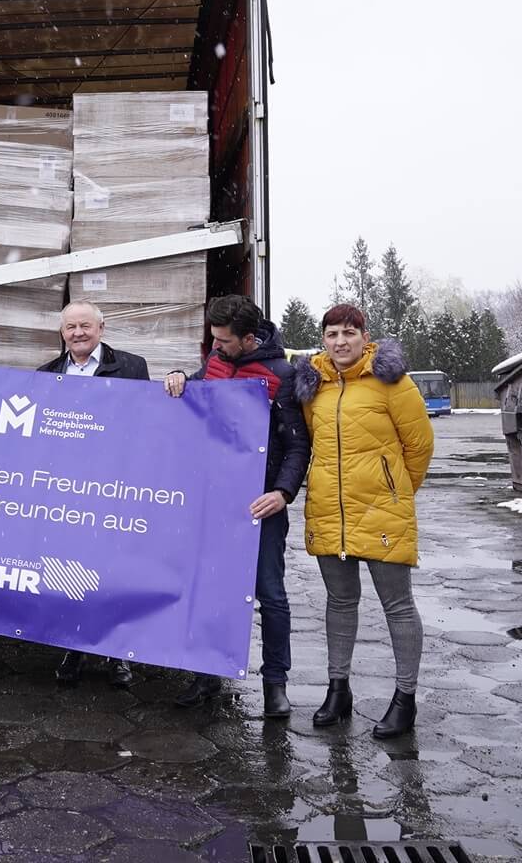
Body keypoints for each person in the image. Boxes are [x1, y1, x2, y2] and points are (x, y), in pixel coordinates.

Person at [293, 303, 434, 739]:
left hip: (382, 510)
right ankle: (339, 690)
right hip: (328, 511)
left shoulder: (393, 383)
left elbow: (420, 446)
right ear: (323, 339)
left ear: (364, 336)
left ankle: (404, 699)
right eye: (332, 334)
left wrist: (394, 493)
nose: (340, 342)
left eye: (349, 333)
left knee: (397, 605)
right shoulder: (312, 386)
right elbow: (311, 441)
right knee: (339, 603)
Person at [164, 294, 309, 714]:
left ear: (248, 339)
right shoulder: (214, 364)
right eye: (212, 340)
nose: (215, 348)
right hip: (212, 503)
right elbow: (192, 394)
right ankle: (205, 675)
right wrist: (178, 379)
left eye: (223, 341)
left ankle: (275, 685)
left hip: (259, 506)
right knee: (208, 587)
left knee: (270, 594)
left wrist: (281, 494)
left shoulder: (280, 375)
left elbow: (297, 447)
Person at [36, 301, 149, 688]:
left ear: (101, 328)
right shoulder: (46, 375)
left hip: (114, 488)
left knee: (114, 571)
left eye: (85, 325)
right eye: (71, 327)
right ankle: (74, 645)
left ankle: (118, 652)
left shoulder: (133, 368)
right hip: (67, 492)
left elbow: (147, 426)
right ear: (62, 332)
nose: (78, 333)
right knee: (69, 570)